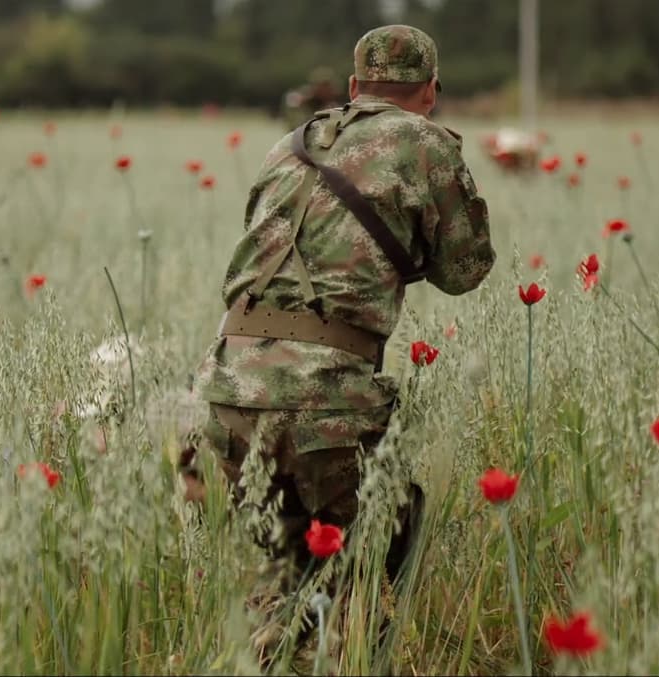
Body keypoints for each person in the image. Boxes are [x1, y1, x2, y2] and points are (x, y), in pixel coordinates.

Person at [188, 24, 495, 666]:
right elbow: (464, 271)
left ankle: (273, 651)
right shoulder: (426, 143)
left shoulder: (291, 144)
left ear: (354, 87)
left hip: (225, 389)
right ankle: (358, 655)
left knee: (284, 566)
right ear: (431, 91)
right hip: (325, 395)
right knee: (380, 544)